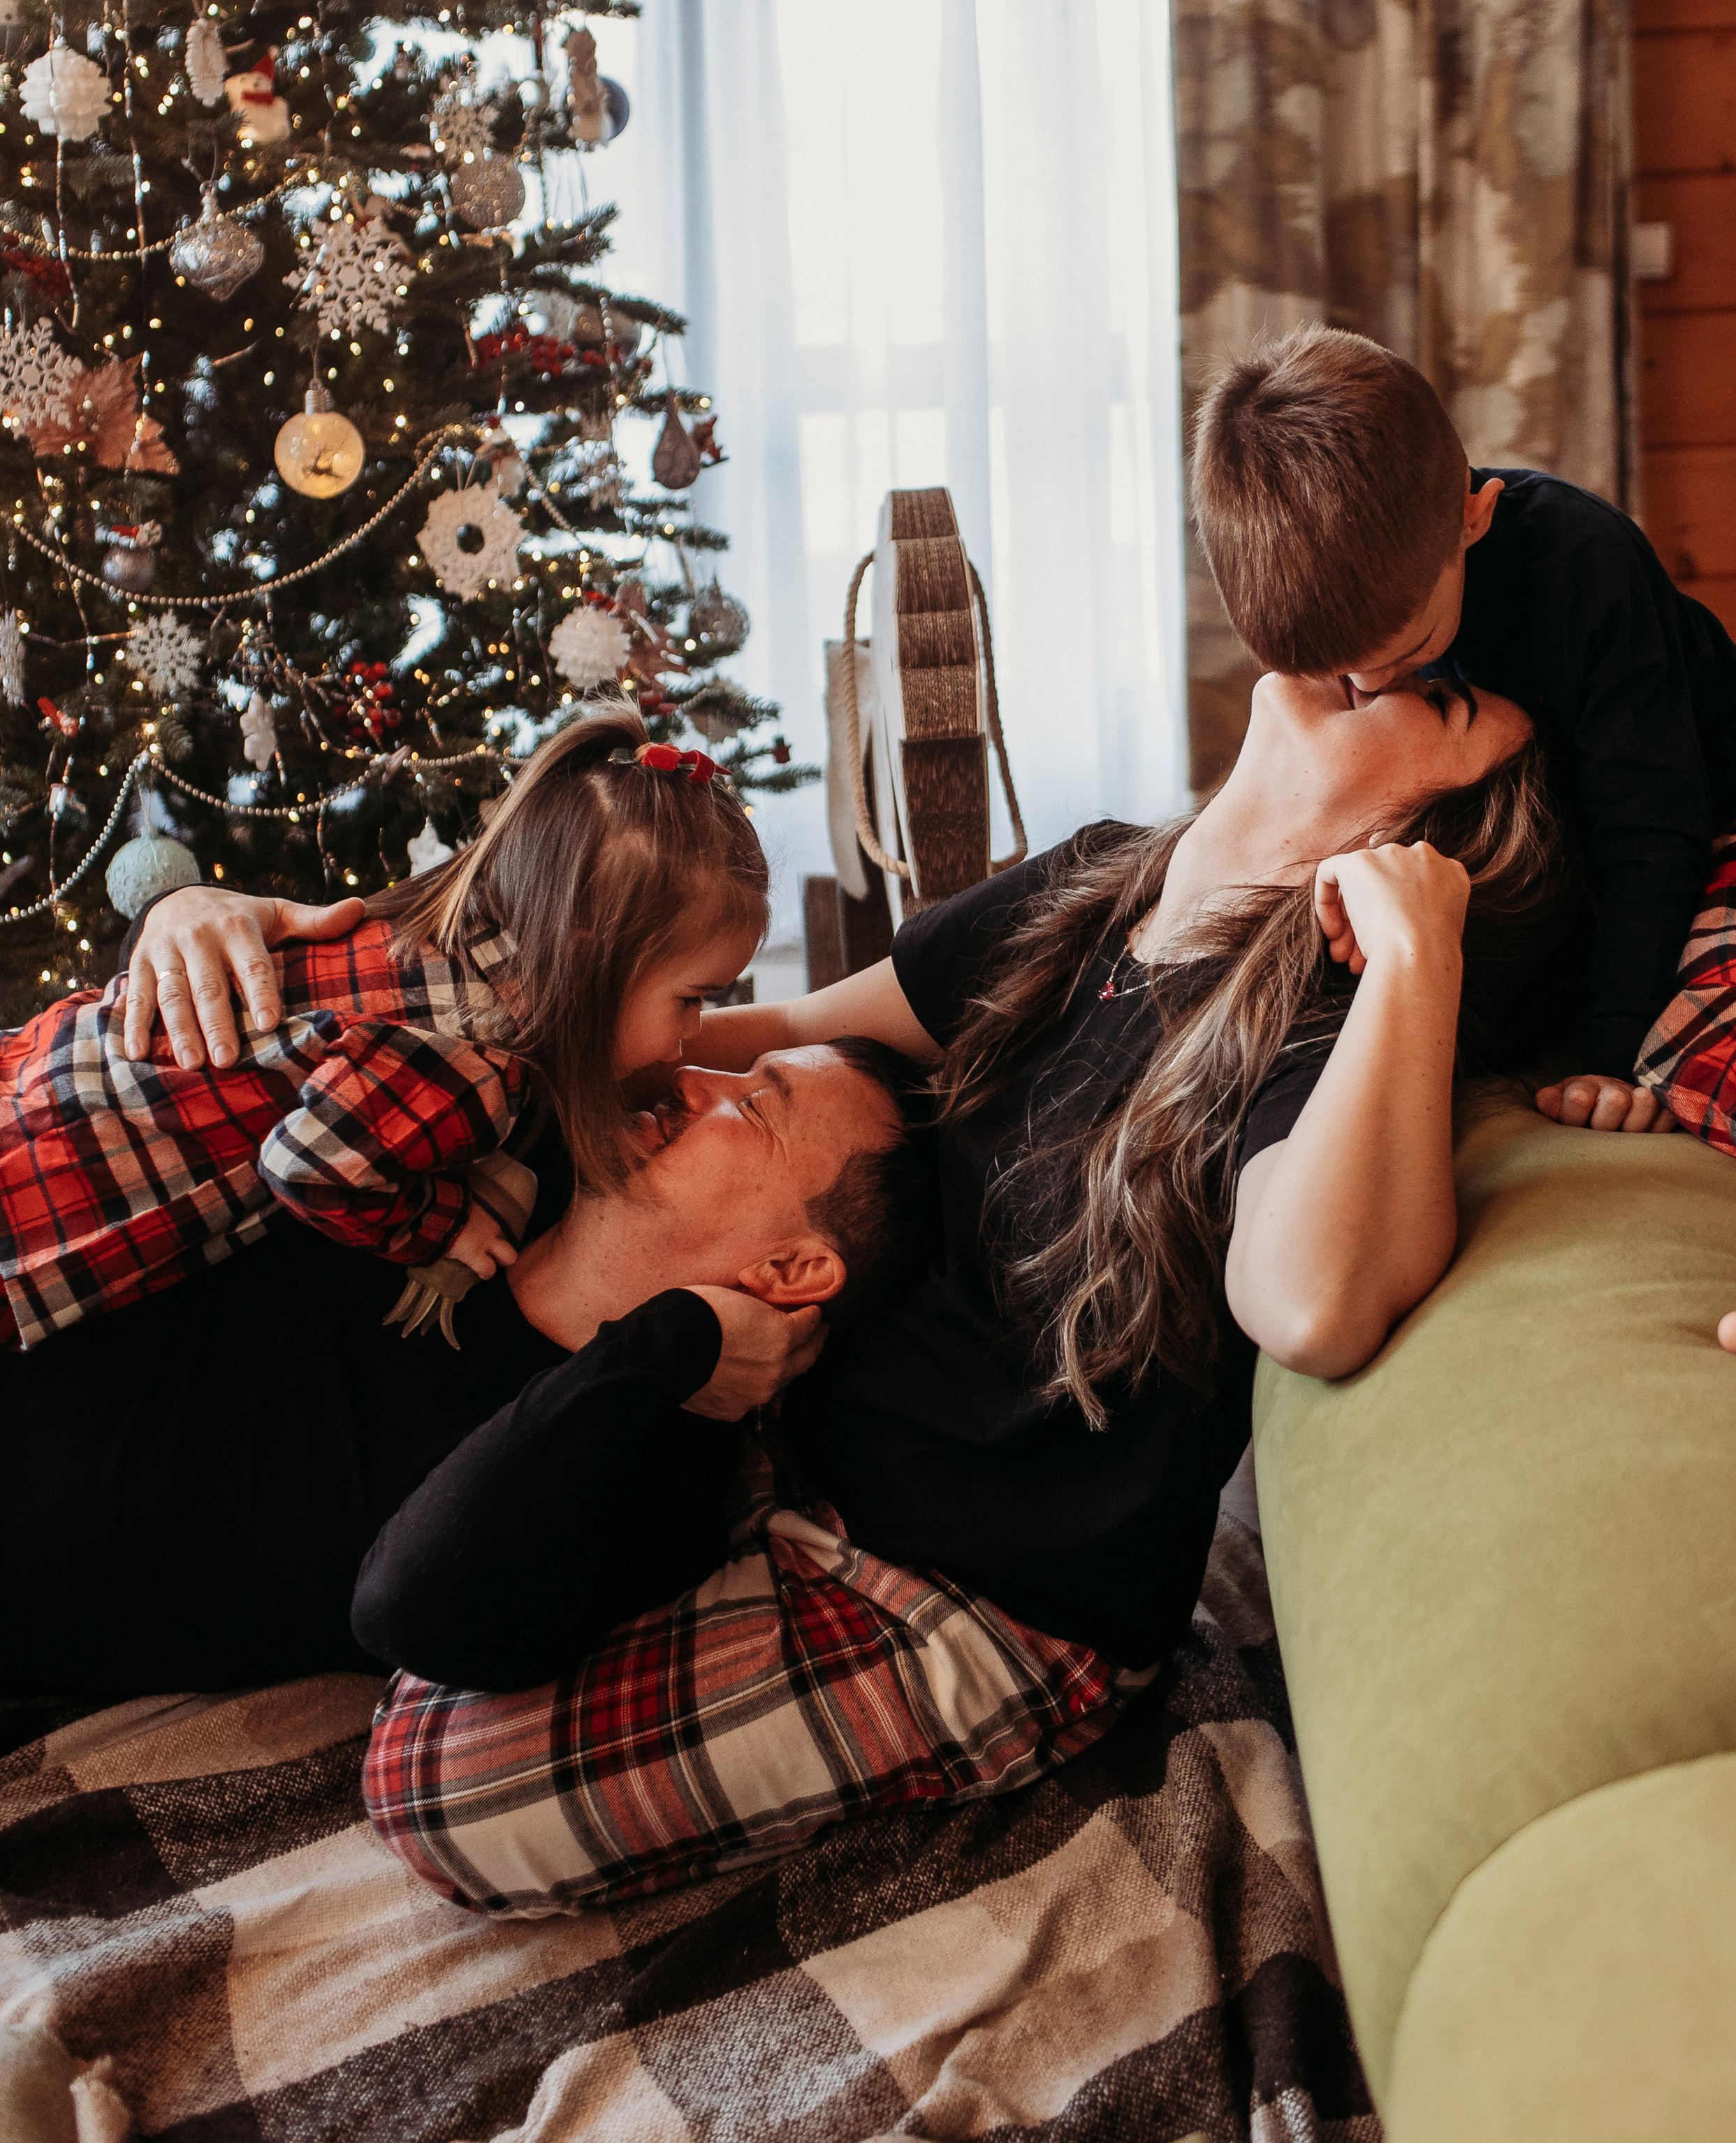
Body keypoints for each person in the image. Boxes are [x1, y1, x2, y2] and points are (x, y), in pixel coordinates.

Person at [140, 669, 1582, 1913]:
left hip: (966, 1596)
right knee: (483, 1560)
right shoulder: (1095, 884)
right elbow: (755, 1031)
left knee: (437, 1780)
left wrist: (1414, 951)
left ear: (1401, 832)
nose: (1361, 660)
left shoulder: (1304, 1027)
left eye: (1434, 694)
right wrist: (356, 962)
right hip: (806, 1463)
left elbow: (1318, 1301)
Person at [0, 1036, 904, 1697]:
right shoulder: (506, 1139)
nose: (694, 1076)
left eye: (752, 1104)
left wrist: (673, 1344)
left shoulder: (648, 1481)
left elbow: (410, 1603)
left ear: (791, 1271)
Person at [1190, 326, 1736, 1178]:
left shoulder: (1583, 568)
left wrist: (1611, 1051)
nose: (1377, 684)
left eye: (1409, 651)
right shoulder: (1369, 608)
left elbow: (1649, 831)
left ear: (1474, 519)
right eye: (1343, 673)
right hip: (1583, 848)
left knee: (1694, 1036)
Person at [0, 703, 766, 1354]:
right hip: (53, 1202)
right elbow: (305, 1167)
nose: (690, 1035)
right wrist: (442, 1223)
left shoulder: (422, 934)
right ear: (593, 953)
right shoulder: (480, 1069)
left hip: (38, 1073)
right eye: (692, 998)